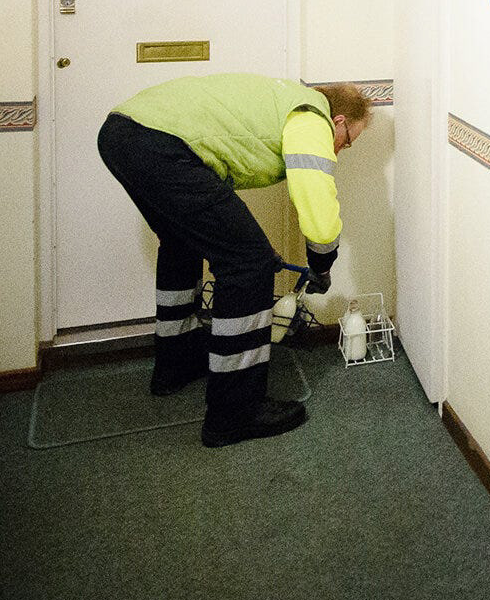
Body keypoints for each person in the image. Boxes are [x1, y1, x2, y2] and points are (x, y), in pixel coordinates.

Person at [96, 73, 372, 447]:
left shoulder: (285, 99)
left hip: (123, 134)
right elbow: (318, 210)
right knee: (249, 265)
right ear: (338, 120)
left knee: (181, 243)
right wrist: (322, 264)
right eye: (348, 141)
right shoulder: (312, 116)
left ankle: (177, 362)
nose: (339, 150)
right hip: (159, 144)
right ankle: (235, 411)